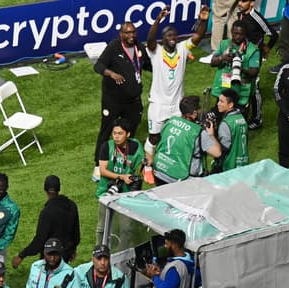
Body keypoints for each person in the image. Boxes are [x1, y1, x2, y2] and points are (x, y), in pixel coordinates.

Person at [144, 6, 208, 168]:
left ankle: (173, 162)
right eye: (168, 35)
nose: (172, 38)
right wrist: (158, 20)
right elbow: (150, 40)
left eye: (174, 35)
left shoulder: (183, 48)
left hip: (177, 104)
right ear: (163, 38)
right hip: (158, 104)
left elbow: (199, 36)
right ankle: (148, 166)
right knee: (154, 137)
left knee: (176, 134)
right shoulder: (155, 51)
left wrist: (204, 21)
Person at [93, 20, 151, 155]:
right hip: (113, 100)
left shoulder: (139, 47)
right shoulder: (114, 47)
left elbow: (148, 65)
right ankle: (98, 162)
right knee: (106, 131)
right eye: (127, 33)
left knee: (130, 130)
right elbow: (98, 66)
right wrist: (111, 73)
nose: (131, 35)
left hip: (133, 100)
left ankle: (124, 157)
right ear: (121, 34)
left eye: (133, 32)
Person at [152, 96, 224, 185]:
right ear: (194, 114)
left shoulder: (170, 122)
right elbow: (217, 153)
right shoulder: (197, 132)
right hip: (180, 179)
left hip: (159, 172)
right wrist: (211, 135)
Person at [13, 176, 80, 268]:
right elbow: (76, 233)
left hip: (50, 258)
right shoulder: (72, 205)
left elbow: (39, 241)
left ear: (45, 190)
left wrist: (21, 255)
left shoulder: (47, 212)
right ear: (59, 188)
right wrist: (73, 249)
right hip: (66, 254)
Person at [209, 22, 261, 122]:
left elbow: (254, 72)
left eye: (240, 34)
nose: (237, 36)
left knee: (238, 121)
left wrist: (239, 68)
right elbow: (212, 63)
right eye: (235, 33)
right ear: (231, 32)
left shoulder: (252, 50)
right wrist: (222, 57)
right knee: (218, 118)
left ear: (245, 34)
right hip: (224, 87)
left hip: (241, 90)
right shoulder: (224, 44)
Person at [95, 119, 143, 209]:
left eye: (120, 133)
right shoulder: (107, 146)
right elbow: (102, 171)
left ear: (128, 134)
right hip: (107, 190)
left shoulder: (135, 146)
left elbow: (139, 169)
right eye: (114, 133)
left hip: (127, 191)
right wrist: (122, 177)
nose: (116, 137)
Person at [212, 89, 249, 173]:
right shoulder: (241, 118)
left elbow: (222, 150)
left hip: (229, 167)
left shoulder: (226, 123)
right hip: (243, 165)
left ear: (230, 105)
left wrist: (212, 135)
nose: (218, 104)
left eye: (221, 101)